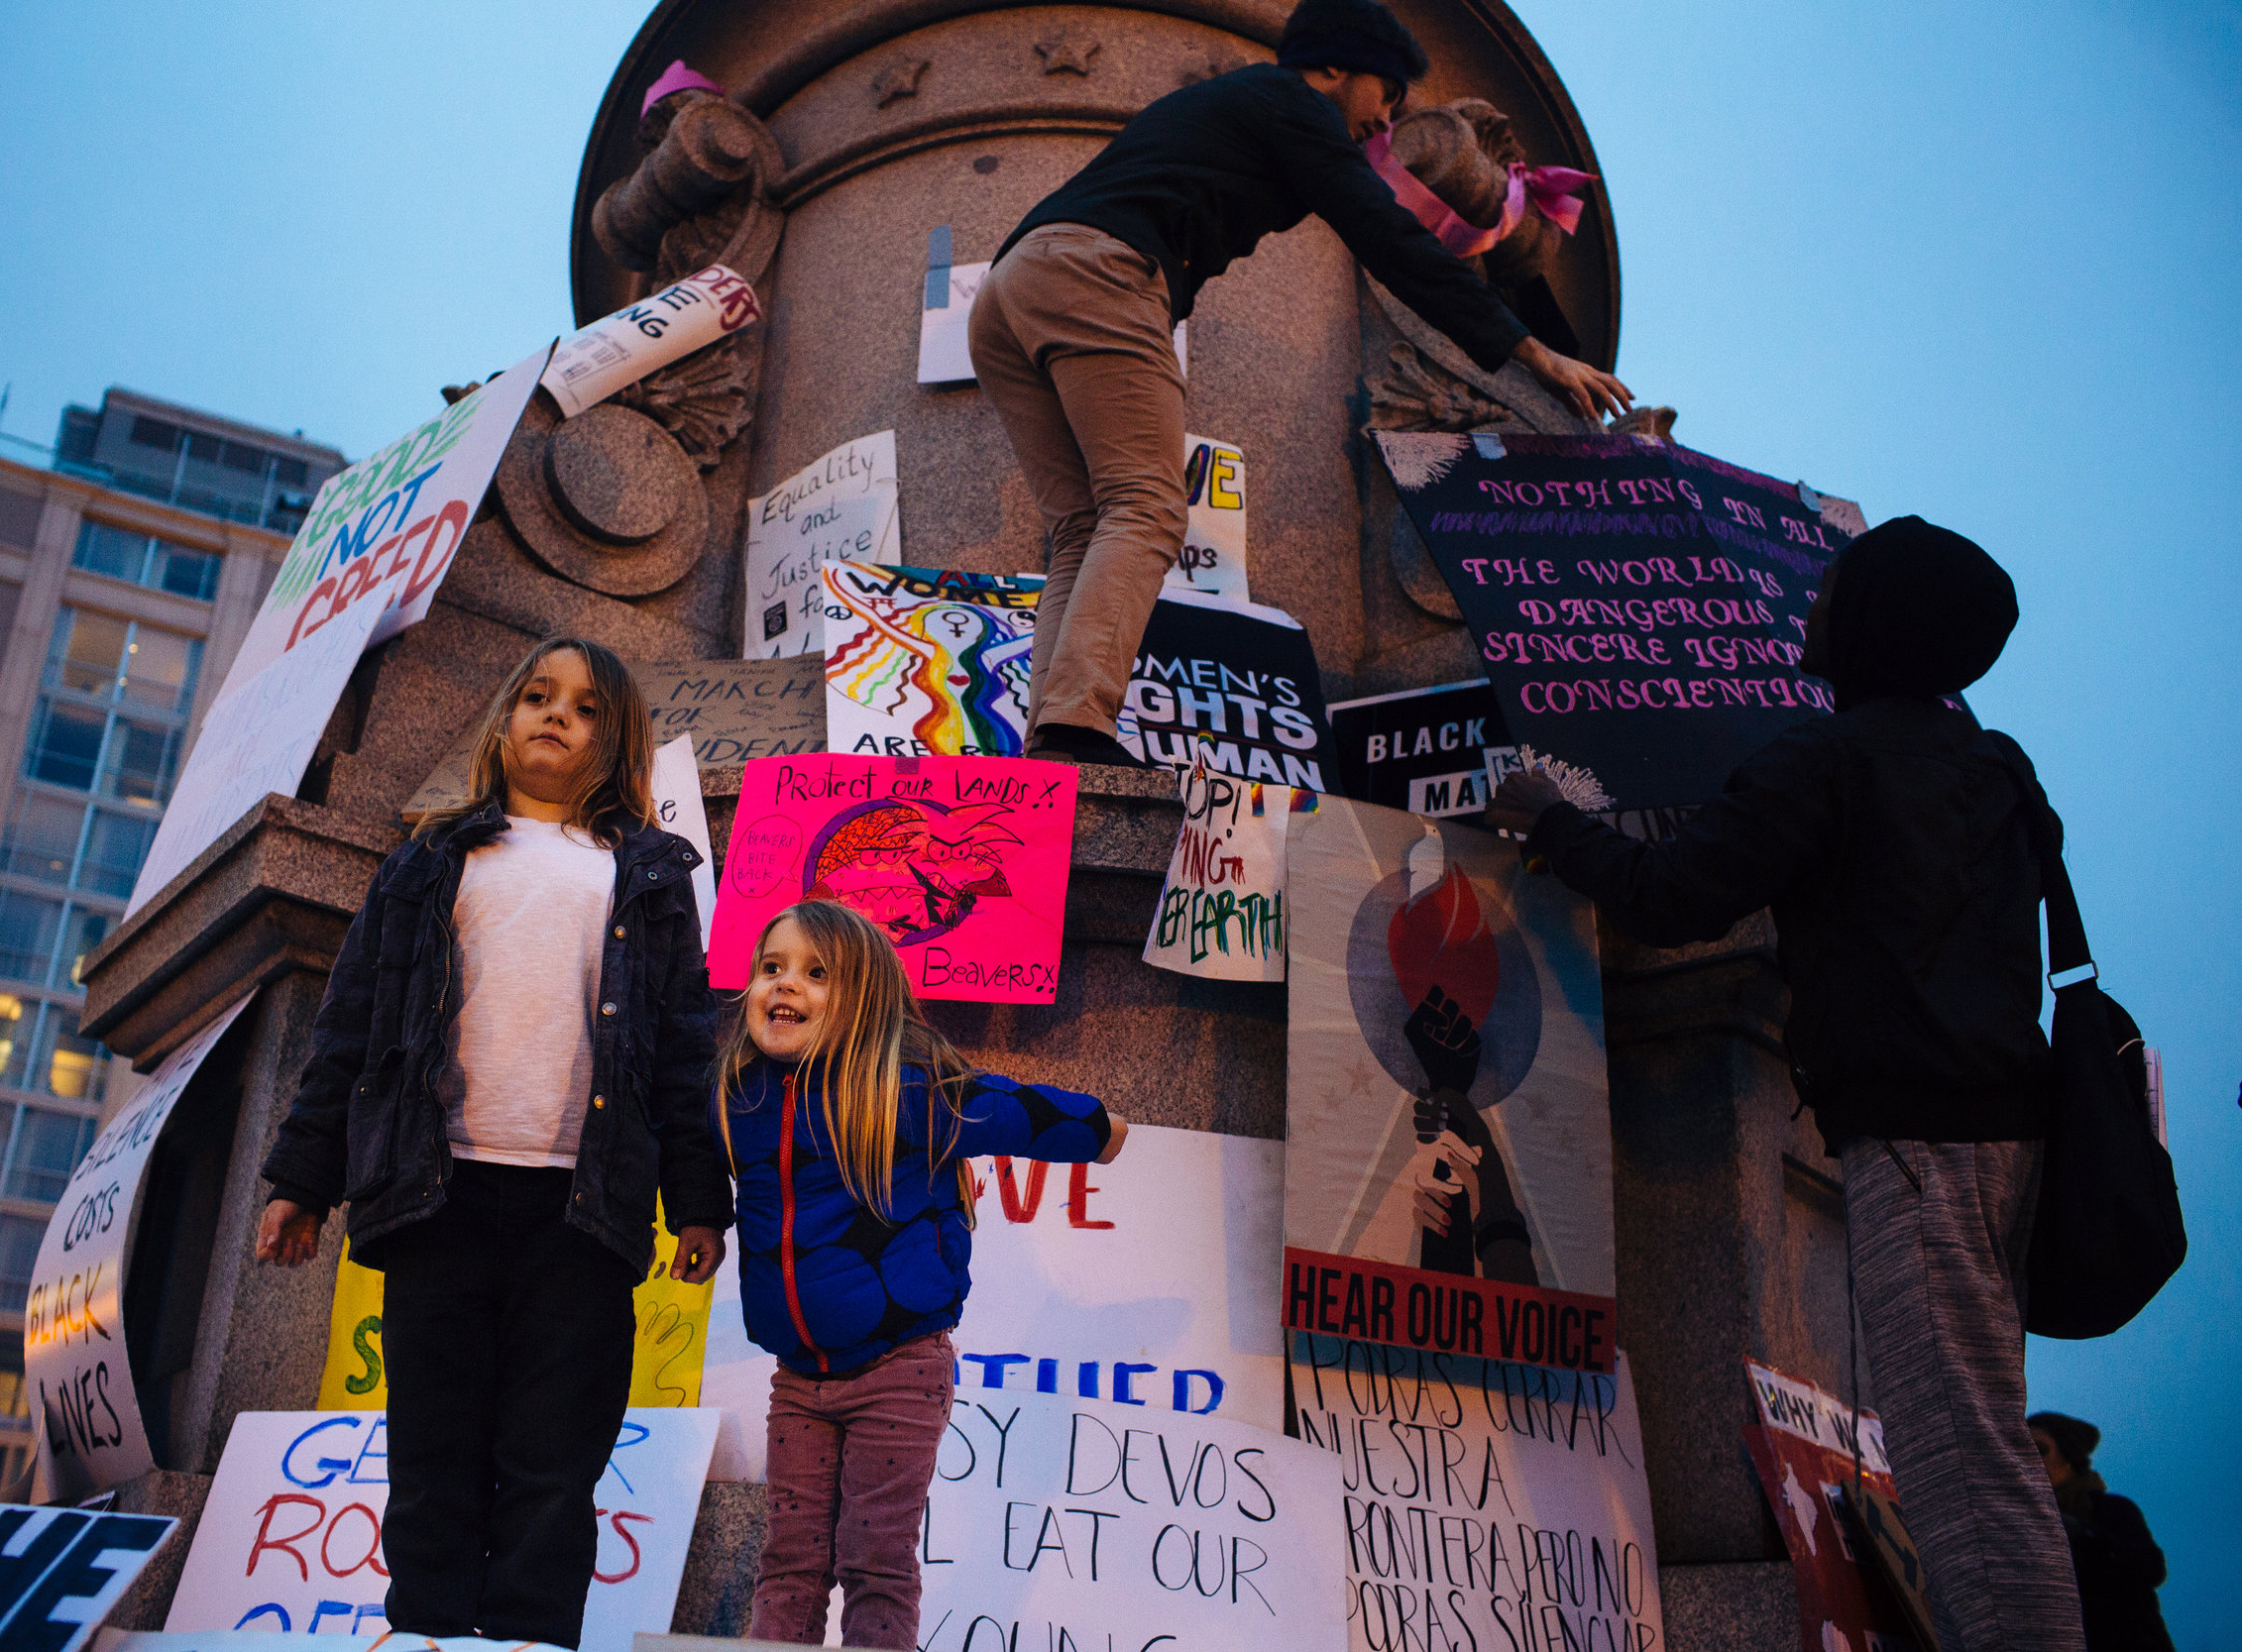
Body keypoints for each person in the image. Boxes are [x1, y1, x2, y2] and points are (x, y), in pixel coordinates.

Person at [1478, 516, 2082, 1651]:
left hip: (1915, 1137)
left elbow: (1674, 894)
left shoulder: (1828, 759)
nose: (1804, 605)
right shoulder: (1993, 763)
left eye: (1831, 588)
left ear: (1871, 621)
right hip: (2009, 1136)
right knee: (1985, 1439)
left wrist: (1550, 818)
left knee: (1959, 1459)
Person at [969, 0, 1631, 770]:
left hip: (1012, 285)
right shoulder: (1290, 101)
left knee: (1085, 528)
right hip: (1100, 272)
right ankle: (1078, 727)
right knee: (1146, 506)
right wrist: (1532, 353)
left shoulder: (1240, 105)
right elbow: (1388, 236)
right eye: (1383, 96)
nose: (1383, 124)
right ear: (1330, 71)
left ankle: (1049, 742)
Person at [254, 637, 731, 1647]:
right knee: (433, 1457)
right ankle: (428, 1632)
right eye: (537, 697)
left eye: (586, 708)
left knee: (555, 1464)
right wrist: (303, 1175)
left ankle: (527, 1638)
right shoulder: (428, 862)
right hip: (439, 1199)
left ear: (619, 741)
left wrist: (698, 1197)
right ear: (503, 720)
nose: (555, 716)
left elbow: (684, 1049)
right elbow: (353, 1031)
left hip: (582, 1211)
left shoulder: (643, 874)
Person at [715, 901, 1129, 1648]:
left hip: (898, 1368)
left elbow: (1003, 1109)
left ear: (866, 1001)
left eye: (815, 974)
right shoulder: (740, 1093)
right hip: (799, 1375)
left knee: (874, 1558)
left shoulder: (901, 1087)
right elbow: (683, 1147)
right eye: (770, 968)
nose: (785, 986)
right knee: (791, 1558)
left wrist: (1098, 1128)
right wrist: (692, 1219)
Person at [2030, 1412, 2178, 1650]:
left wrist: (2081, 1534)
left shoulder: (2110, 1510)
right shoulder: (2016, 1521)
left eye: (2040, 1449)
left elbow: (2150, 1567)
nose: (2029, 1458)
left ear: (2069, 1458)